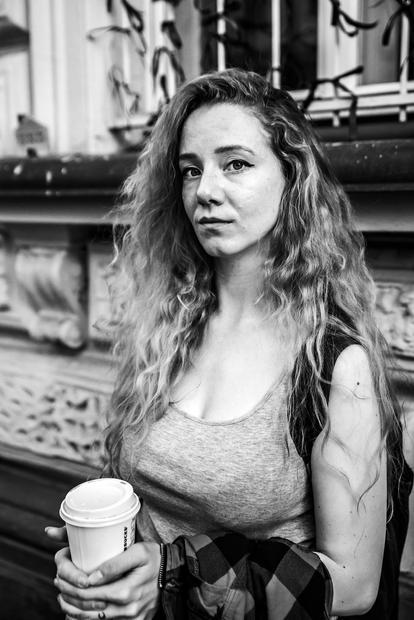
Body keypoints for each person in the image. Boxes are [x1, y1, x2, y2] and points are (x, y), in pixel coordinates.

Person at [46, 68, 412, 620]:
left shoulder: (333, 365)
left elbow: (355, 585)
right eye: (191, 170)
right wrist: (97, 553)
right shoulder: (168, 328)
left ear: (291, 176)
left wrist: (171, 577)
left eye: (235, 164)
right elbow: (143, 491)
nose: (206, 191)